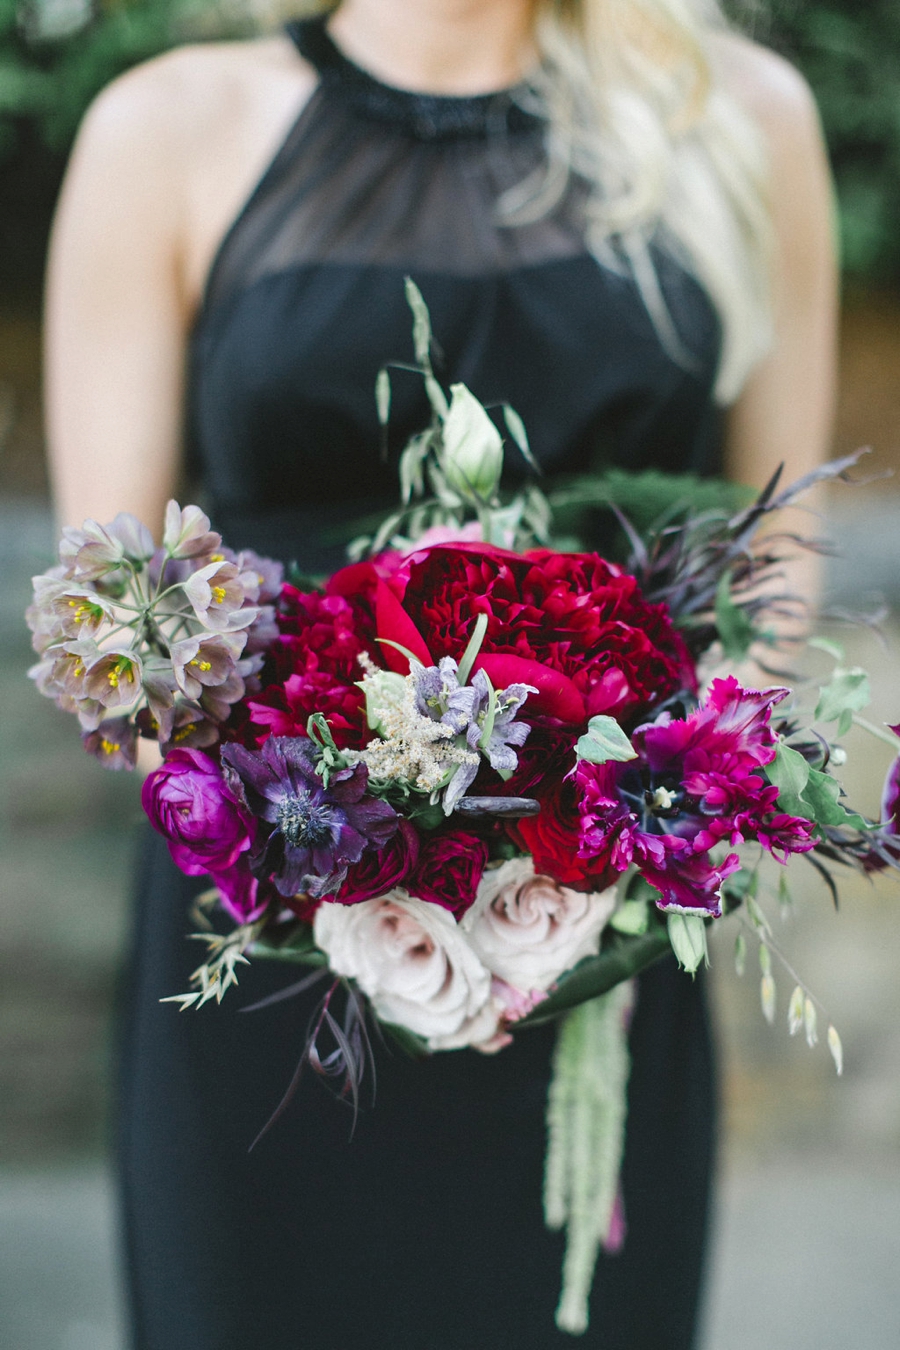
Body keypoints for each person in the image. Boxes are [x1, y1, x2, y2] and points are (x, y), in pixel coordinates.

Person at [44, 1, 837, 1346]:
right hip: (276, 964)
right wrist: (358, 858)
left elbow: (775, 560)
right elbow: (116, 623)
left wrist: (599, 876)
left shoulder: (739, 119)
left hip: (595, 934)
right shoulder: (166, 130)